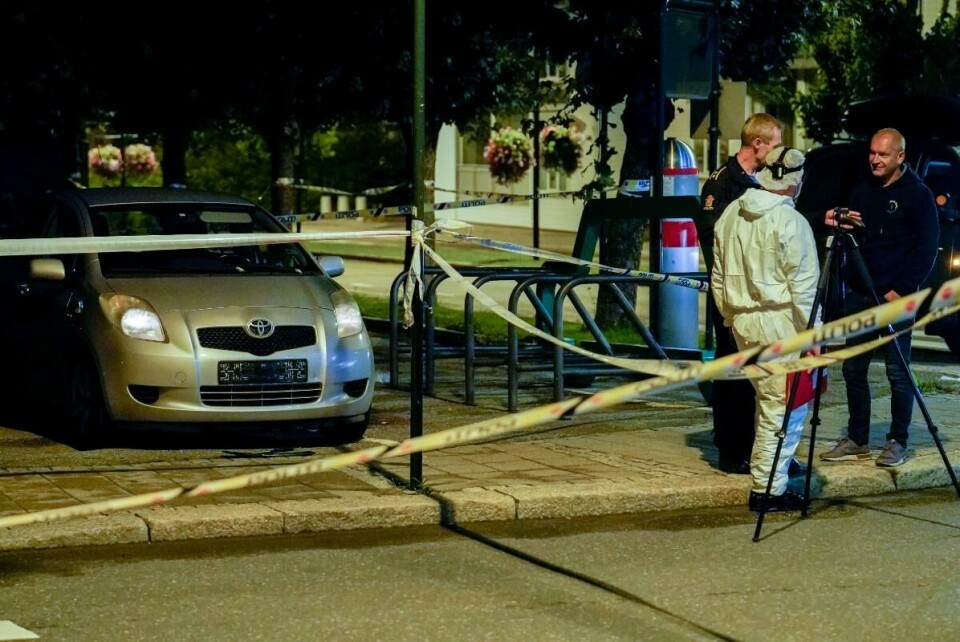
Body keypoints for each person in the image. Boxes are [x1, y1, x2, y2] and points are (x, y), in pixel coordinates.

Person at [820, 128, 939, 468]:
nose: (874, 159)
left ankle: (897, 441)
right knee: (854, 368)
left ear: (900, 156)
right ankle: (858, 438)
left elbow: (926, 251)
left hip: (896, 298)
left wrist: (900, 290)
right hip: (860, 295)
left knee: (897, 372)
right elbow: (859, 242)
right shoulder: (862, 191)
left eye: (883, 154)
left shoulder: (918, 196)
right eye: (872, 152)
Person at [711, 145, 820, 512]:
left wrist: (729, 317)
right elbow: (805, 291)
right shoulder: (792, 223)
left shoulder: (730, 216)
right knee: (783, 407)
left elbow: (718, 276)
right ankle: (768, 488)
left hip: (743, 322)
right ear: (794, 183)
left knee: (767, 401)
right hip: (781, 324)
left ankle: (766, 477)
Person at [698, 113, 783, 474]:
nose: (778, 154)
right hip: (732, 295)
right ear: (758, 145)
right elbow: (715, 245)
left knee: (759, 372)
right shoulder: (721, 186)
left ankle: (758, 446)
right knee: (733, 371)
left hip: (759, 296)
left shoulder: (763, 183)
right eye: (775, 145)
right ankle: (732, 449)